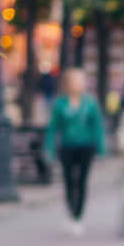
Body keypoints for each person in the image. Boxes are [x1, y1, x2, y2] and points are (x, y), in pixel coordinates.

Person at [44, 69, 106, 236]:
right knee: (69, 181)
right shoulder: (60, 104)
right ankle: (71, 212)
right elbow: (53, 128)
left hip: (86, 146)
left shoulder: (90, 103)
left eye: (81, 80)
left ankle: (78, 216)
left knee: (82, 181)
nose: (79, 84)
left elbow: (97, 127)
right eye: (75, 80)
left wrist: (101, 148)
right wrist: (48, 148)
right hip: (67, 146)